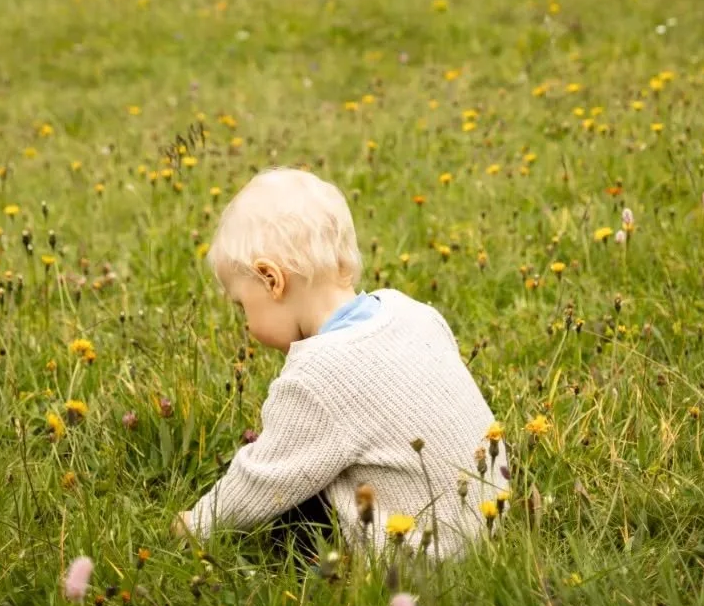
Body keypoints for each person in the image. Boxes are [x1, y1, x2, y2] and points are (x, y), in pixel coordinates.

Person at [177, 168, 502, 557]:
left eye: (241, 305)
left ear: (270, 279)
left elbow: (263, 479)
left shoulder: (320, 376)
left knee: (295, 496)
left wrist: (196, 524)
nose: (245, 324)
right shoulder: (412, 311)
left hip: (420, 554)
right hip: (487, 519)